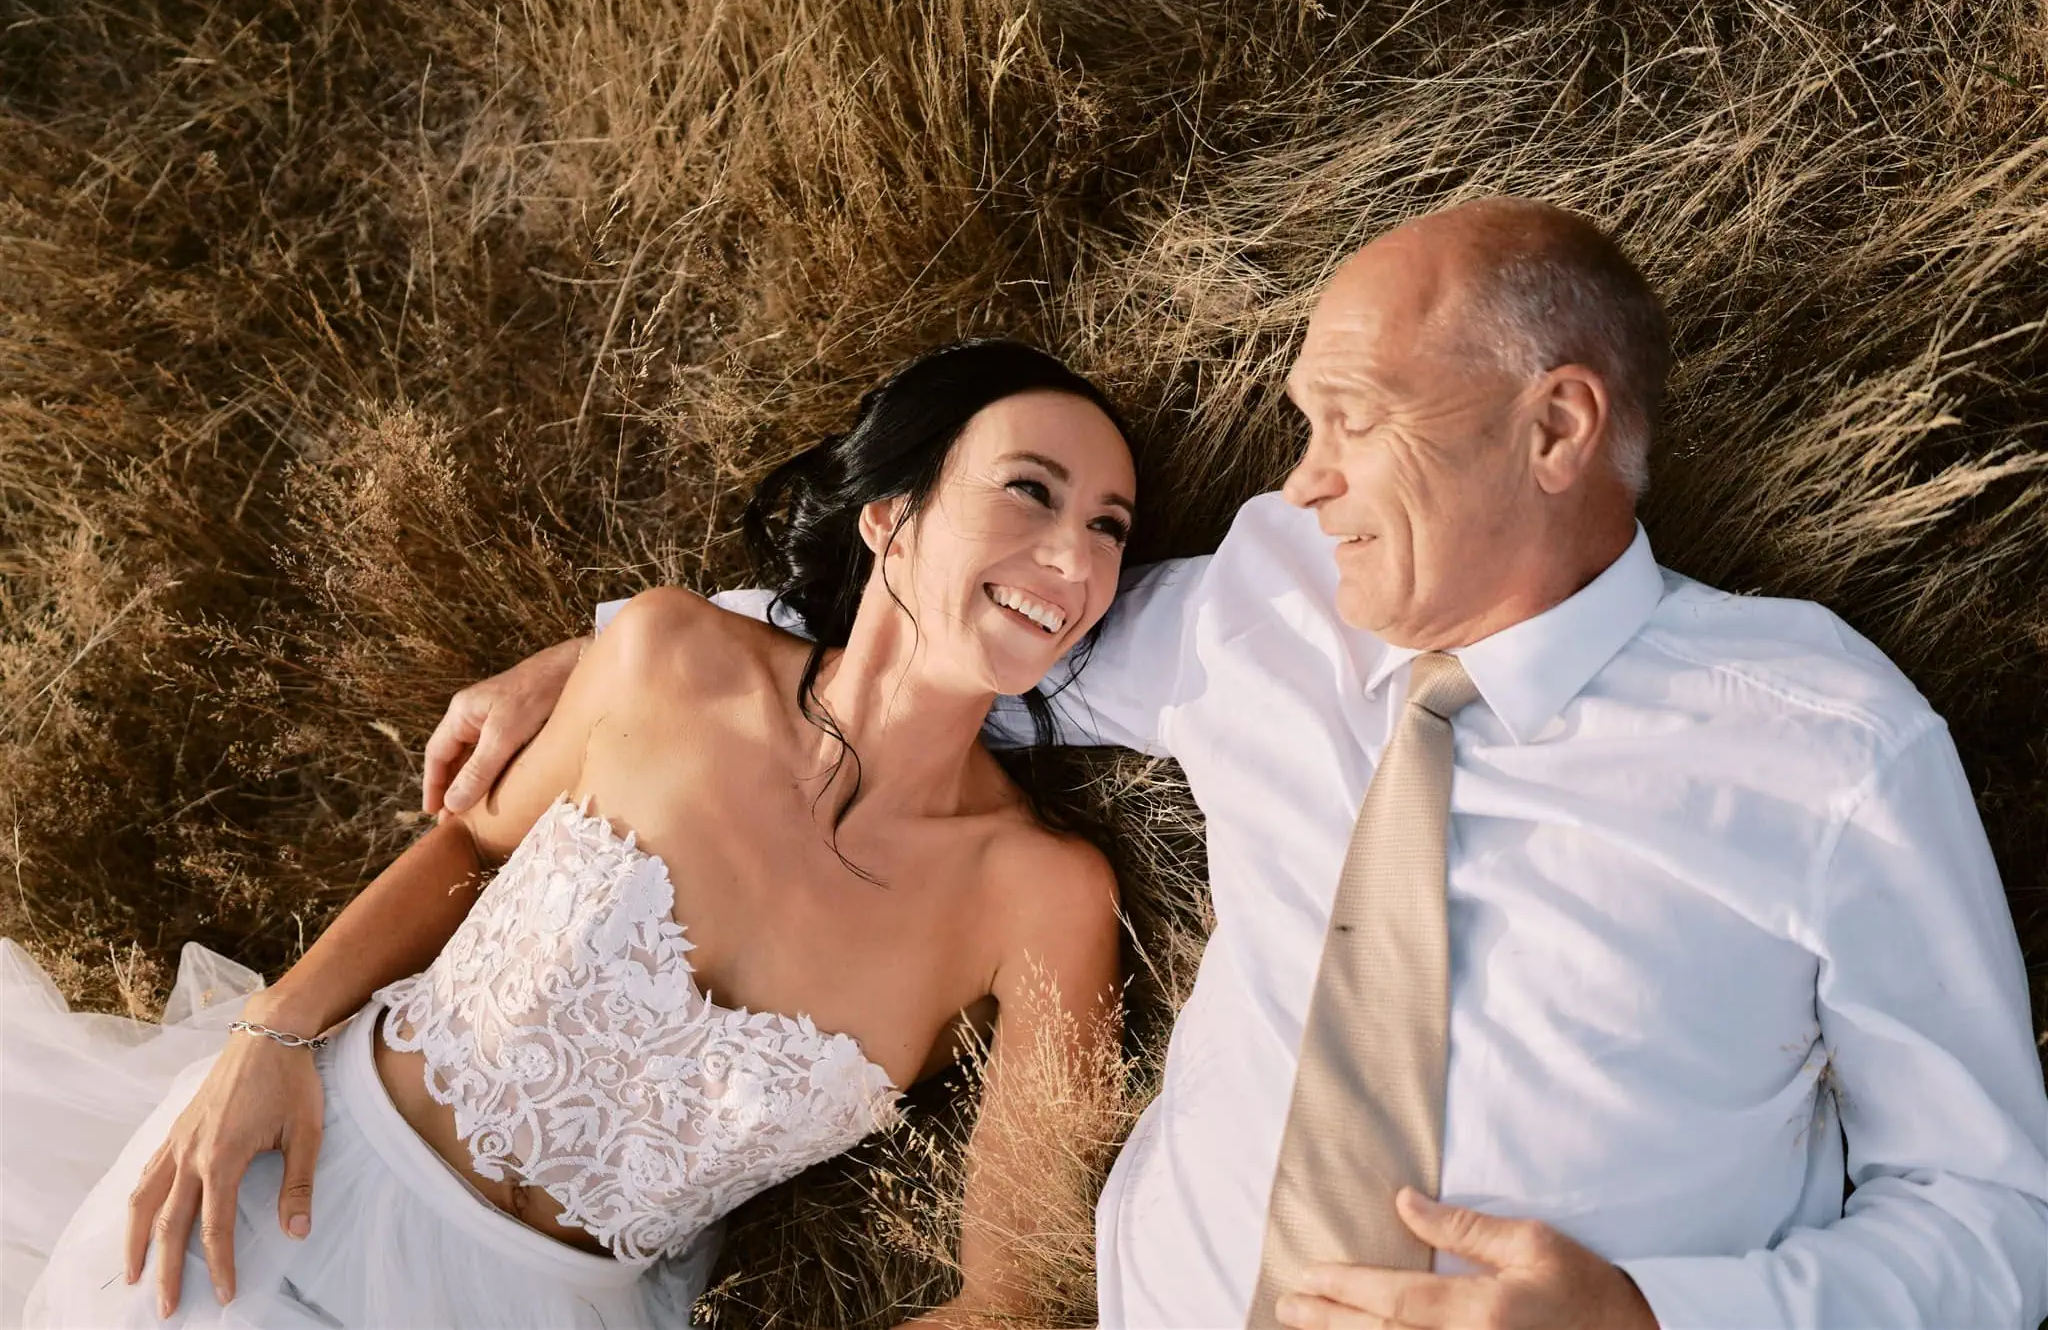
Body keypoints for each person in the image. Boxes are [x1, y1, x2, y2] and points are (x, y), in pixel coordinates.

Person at [438, 198, 2048, 1329]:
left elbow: (1994, 1223)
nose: (1306, 479)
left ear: (1555, 429)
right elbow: (966, 634)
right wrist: (636, 651)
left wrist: (1649, 1316)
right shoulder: (1273, 596)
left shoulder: (1819, 739)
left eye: (1351, 421)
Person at [0, 338, 1138, 1328]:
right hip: (302, 1168)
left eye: (1108, 527)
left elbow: (1013, 1287)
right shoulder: (672, 657)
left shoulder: (1042, 897)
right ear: (889, 516)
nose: (1075, 559)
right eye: (1030, 491)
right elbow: (470, 848)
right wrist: (273, 1032)